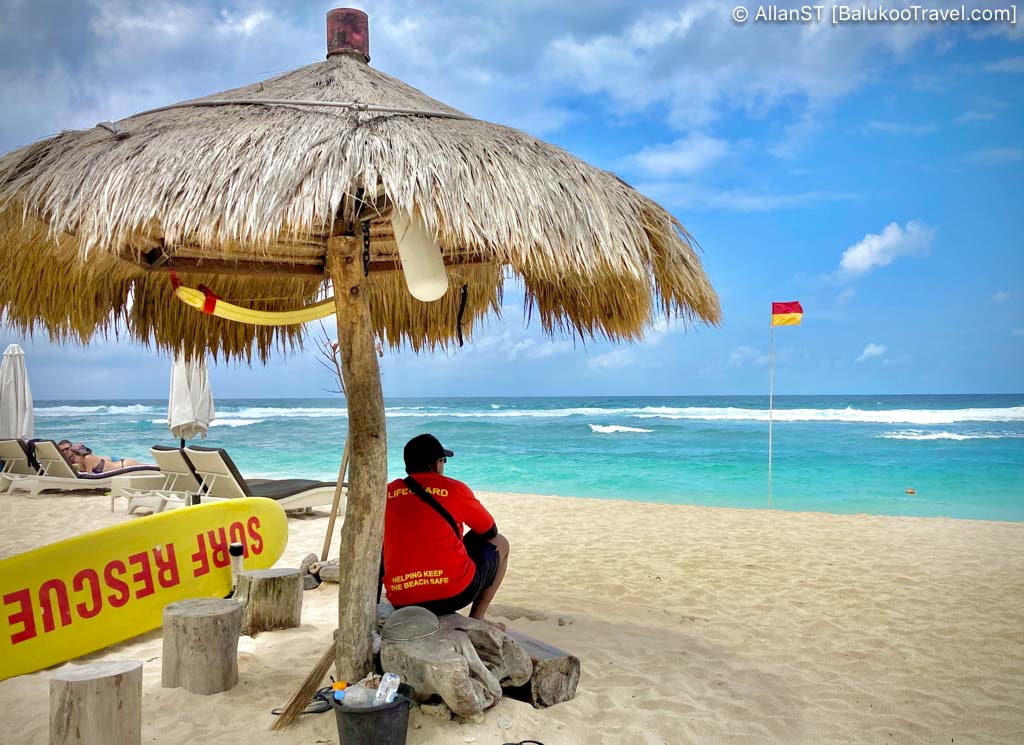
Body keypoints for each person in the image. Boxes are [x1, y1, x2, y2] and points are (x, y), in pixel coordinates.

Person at [382, 434, 509, 626]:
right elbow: (489, 531)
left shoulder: (388, 492)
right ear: (436, 464)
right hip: (452, 594)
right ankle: (477, 617)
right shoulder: (453, 488)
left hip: (402, 599)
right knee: (501, 542)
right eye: (443, 460)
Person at [66, 443, 143, 474]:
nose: (72, 458)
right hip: (121, 465)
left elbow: (89, 475)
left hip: (124, 465)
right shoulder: (85, 460)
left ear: (79, 455)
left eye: (73, 456)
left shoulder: (88, 458)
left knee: (152, 468)